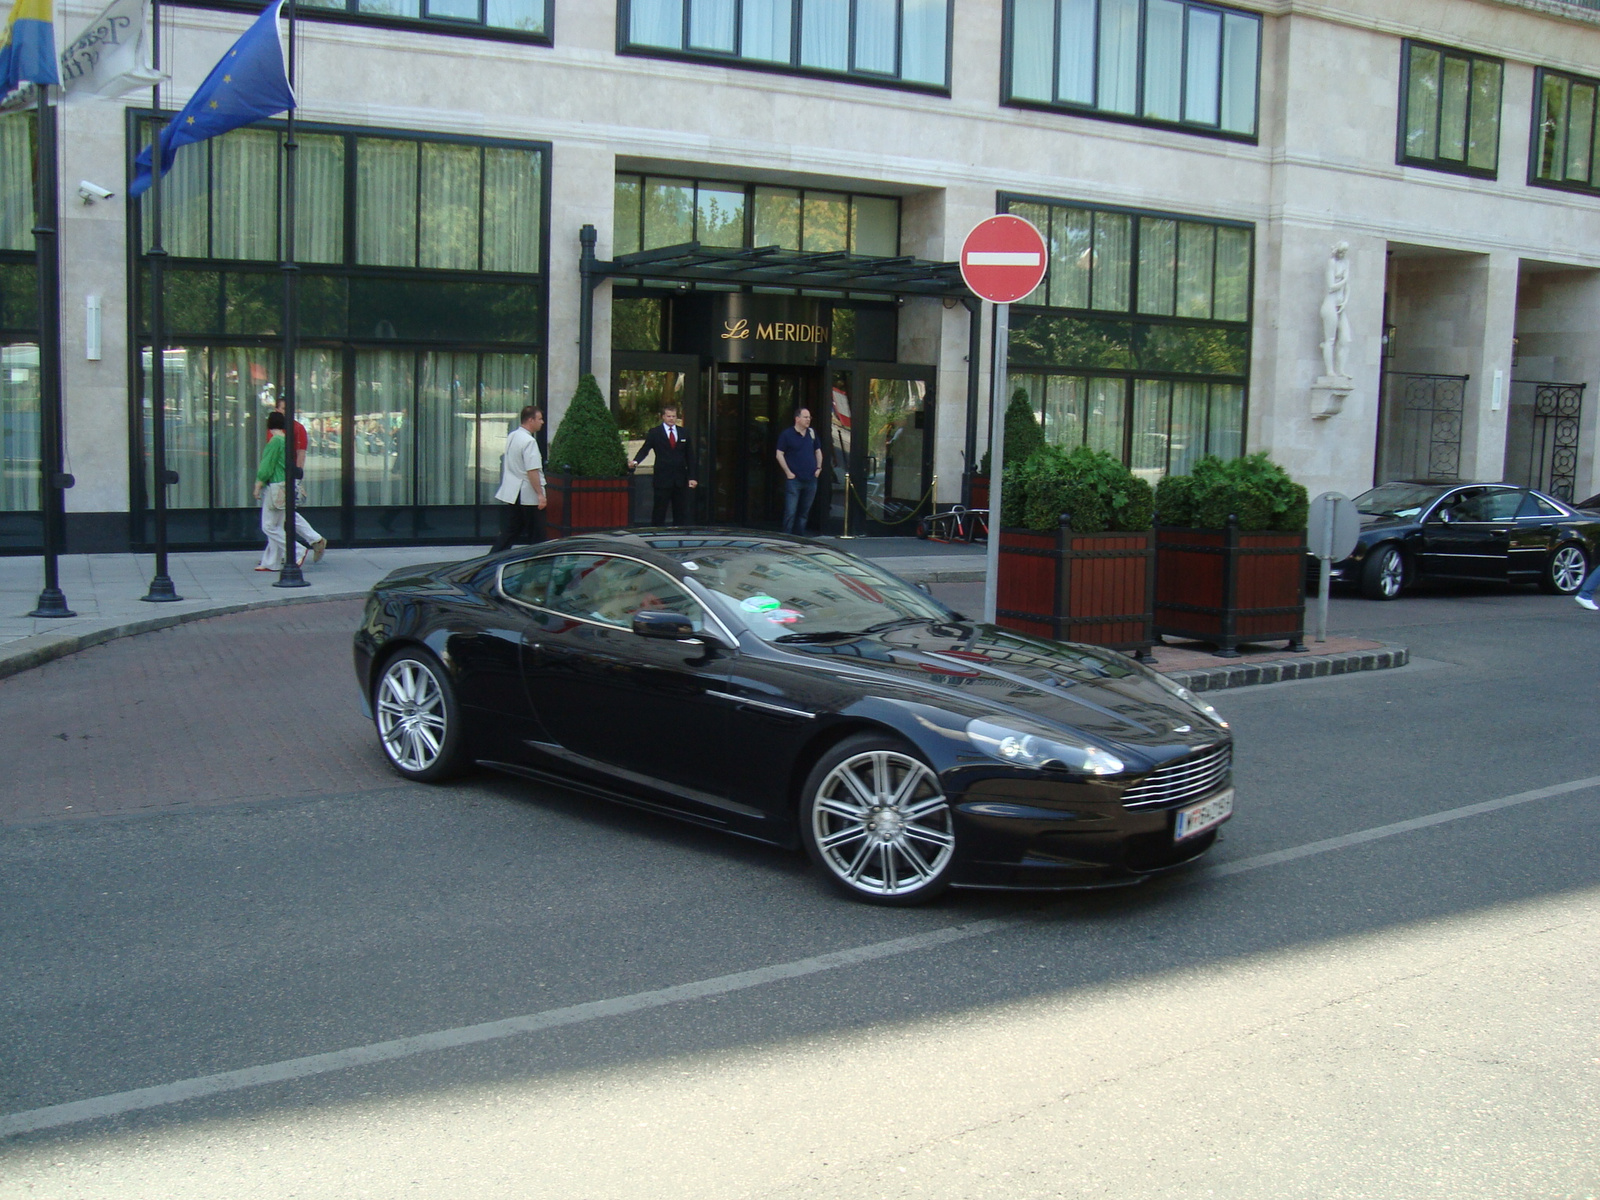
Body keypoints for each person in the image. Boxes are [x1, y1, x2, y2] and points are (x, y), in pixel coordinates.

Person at [273, 396, 327, 563]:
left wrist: (297, 474)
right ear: (277, 410)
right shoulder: (274, 429)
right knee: (278, 517)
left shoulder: (297, 428)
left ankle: (313, 540)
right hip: (275, 476)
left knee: (280, 515)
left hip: (286, 476)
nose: (285, 412)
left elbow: (301, 452)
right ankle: (278, 555)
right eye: (283, 409)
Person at [253, 412, 307, 572]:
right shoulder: (285, 440)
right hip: (286, 485)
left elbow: (266, 466)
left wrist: (258, 484)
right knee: (276, 525)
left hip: (276, 485)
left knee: (268, 526)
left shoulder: (274, 442)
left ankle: (297, 550)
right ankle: (271, 561)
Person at [628, 404, 698, 525]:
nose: (671, 419)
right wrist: (636, 461)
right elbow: (645, 449)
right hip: (662, 478)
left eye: (674, 416)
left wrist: (692, 477)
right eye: (669, 416)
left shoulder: (684, 432)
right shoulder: (655, 432)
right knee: (659, 510)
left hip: (680, 479)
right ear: (663, 417)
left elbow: (690, 456)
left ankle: (679, 535)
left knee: (680, 511)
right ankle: (656, 534)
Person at [490, 405, 546, 554]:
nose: (542, 422)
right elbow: (532, 471)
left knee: (511, 531)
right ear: (530, 420)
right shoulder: (529, 442)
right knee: (537, 535)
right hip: (527, 494)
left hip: (513, 492)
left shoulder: (513, 436)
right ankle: (539, 563)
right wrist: (540, 494)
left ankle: (490, 561)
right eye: (539, 419)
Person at [775, 406, 823, 536]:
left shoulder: (812, 434)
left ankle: (799, 538)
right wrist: (788, 472)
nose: (808, 420)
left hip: (811, 479)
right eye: (806, 417)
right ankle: (786, 538)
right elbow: (779, 454)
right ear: (797, 419)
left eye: (809, 417)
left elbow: (818, 451)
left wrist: (819, 468)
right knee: (791, 511)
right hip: (794, 480)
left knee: (804, 512)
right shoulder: (787, 434)